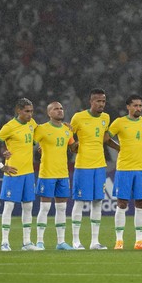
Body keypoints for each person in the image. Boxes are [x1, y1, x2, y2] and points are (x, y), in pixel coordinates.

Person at [108, 94, 142, 250]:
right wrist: (118, 147)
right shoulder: (119, 122)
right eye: (135, 105)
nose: (138, 108)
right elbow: (106, 137)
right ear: (128, 107)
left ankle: (139, 240)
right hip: (124, 169)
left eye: (140, 106)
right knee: (122, 203)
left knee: (141, 203)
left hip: (140, 169)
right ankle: (119, 240)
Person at [0, 97, 40, 251]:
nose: (30, 114)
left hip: (28, 173)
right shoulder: (9, 127)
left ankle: (27, 242)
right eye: (27, 111)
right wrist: (2, 165)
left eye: (31, 111)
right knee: (9, 206)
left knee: (28, 207)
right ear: (18, 111)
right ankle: (4, 242)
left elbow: (38, 135)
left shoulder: (32, 124)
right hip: (13, 172)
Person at [70, 88, 120, 250]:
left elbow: (105, 139)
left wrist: (122, 148)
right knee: (79, 202)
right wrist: (73, 146)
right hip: (83, 165)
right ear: (91, 102)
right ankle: (76, 241)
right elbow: (67, 135)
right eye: (98, 101)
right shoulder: (78, 117)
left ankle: (94, 242)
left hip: (100, 166)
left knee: (98, 202)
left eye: (103, 101)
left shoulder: (106, 118)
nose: (101, 104)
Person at [34, 101, 78, 250]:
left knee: (61, 208)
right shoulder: (41, 129)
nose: (59, 111)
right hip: (47, 173)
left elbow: (73, 148)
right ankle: (40, 241)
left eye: (61, 108)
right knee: (45, 207)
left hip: (63, 174)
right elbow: (27, 143)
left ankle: (61, 242)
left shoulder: (67, 129)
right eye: (55, 109)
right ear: (49, 113)